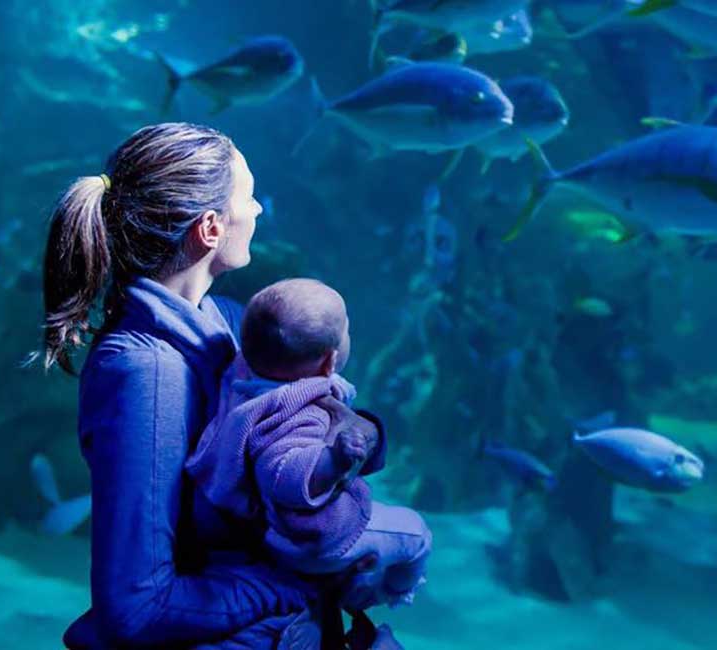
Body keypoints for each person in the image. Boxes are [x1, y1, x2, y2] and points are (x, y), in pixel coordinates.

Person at [38, 123, 382, 648]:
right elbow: (137, 607)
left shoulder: (224, 322)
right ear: (210, 229)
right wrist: (285, 589)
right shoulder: (145, 373)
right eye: (247, 196)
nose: (259, 210)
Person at [187, 279, 432, 619]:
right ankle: (389, 592)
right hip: (307, 538)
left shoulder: (245, 374)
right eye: (346, 330)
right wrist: (333, 459)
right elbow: (283, 471)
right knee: (416, 534)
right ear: (330, 361)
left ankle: (351, 581)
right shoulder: (294, 410)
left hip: (272, 531)